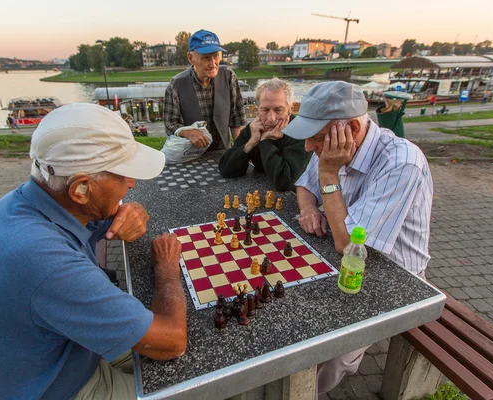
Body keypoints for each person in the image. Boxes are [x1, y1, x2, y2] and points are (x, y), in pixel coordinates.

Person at [0, 103, 187, 399]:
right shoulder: (45, 261)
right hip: (50, 387)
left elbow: (117, 213)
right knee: (192, 385)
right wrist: (167, 268)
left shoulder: (33, 203)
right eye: (122, 175)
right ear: (80, 188)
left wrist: (132, 211)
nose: (131, 184)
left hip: (48, 358)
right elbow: (172, 340)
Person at [281, 81, 433, 398]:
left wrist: (328, 175)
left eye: (316, 137)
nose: (308, 146)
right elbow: (304, 186)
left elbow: (349, 244)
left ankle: (301, 392)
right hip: (350, 260)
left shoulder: (401, 161)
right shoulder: (332, 146)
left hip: (396, 276)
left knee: (332, 351)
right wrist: (309, 209)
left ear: (350, 128)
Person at [218, 78, 312, 191]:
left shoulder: (301, 133)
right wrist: (251, 143)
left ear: (290, 109)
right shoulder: (254, 128)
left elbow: (285, 182)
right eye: (265, 110)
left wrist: (264, 141)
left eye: (278, 110)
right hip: (261, 190)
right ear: (258, 109)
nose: (271, 118)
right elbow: (226, 169)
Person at [164, 29, 246, 151]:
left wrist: (240, 151)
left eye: (215, 56)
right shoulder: (176, 85)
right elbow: (170, 125)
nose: (213, 63)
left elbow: (236, 119)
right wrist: (188, 133)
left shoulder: (228, 76)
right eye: (206, 58)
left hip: (223, 151)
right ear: (191, 58)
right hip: (191, 155)